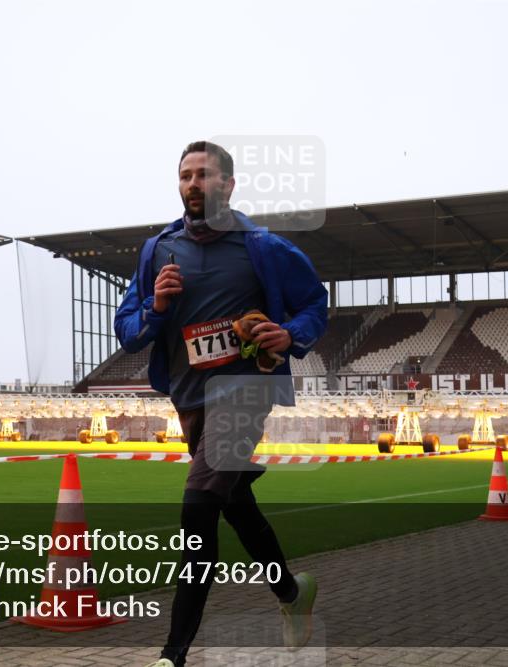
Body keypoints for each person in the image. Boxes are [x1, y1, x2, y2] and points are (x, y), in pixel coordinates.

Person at [114, 141, 328, 667]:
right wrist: (157, 307)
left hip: (245, 392)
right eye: (185, 175)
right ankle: (292, 595)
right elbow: (128, 330)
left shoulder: (264, 247)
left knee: (199, 509)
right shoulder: (157, 251)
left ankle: (173, 655)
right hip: (190, 398)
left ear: (228, 185)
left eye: (203, 175)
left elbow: (314, 302)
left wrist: (290, 334)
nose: (192, 183)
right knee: (235, 505)